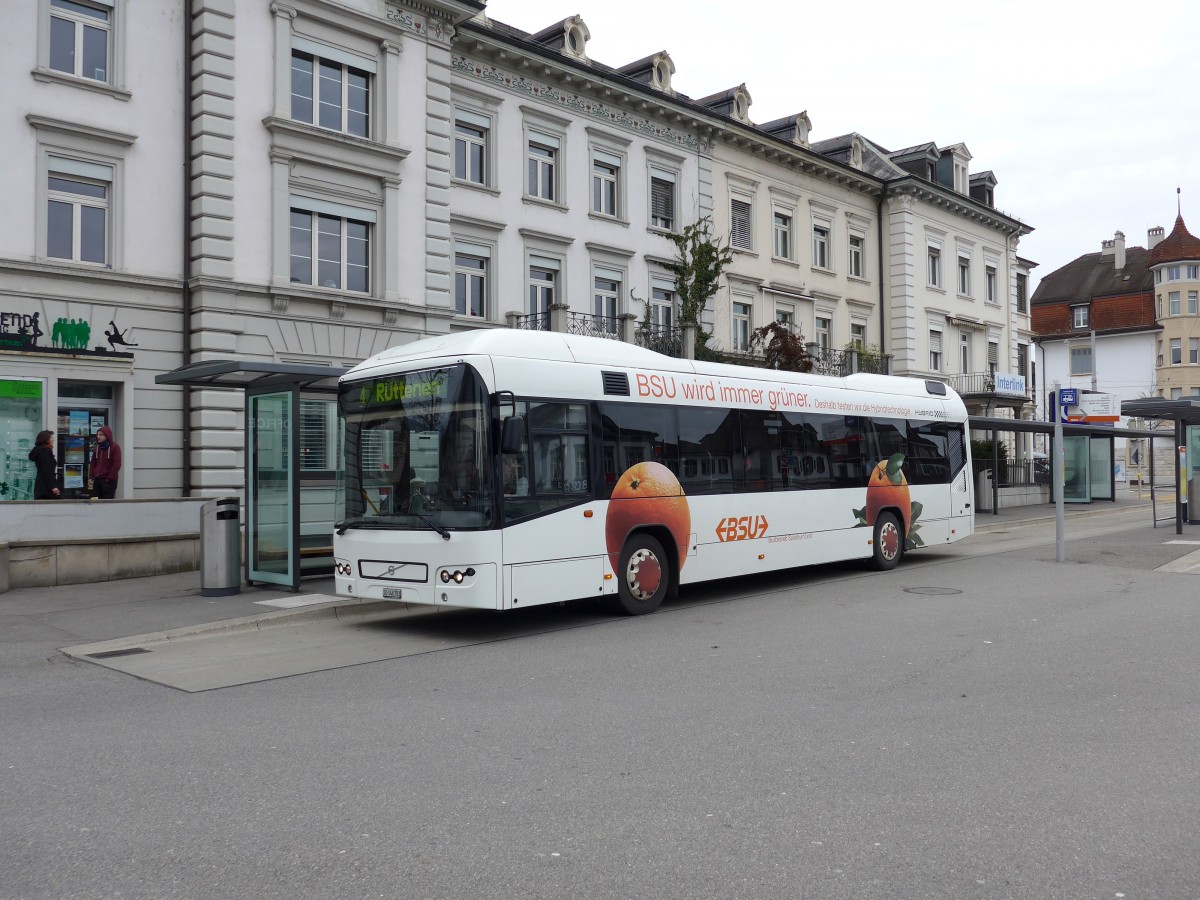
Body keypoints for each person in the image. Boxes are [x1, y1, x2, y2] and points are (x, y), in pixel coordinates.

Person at [90, 425, 122, 499]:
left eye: (101, 435)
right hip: (97, 479)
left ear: (107, 436)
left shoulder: (115, 447)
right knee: (95, 501)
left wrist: (110, 478)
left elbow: (116, 464)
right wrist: (91, 476)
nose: (98, 436)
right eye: (97, 434)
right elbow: (93, 462)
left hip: (108, 480)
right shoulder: (97, 447)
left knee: (107, 503)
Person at [28, 430, 60, 499]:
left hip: (42, 485)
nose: (53, 440)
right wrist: (52, 487)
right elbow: (46, 471)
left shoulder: (40, 450)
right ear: (46, 440)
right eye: (51, 438)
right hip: (46, 487)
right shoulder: (44, 452)